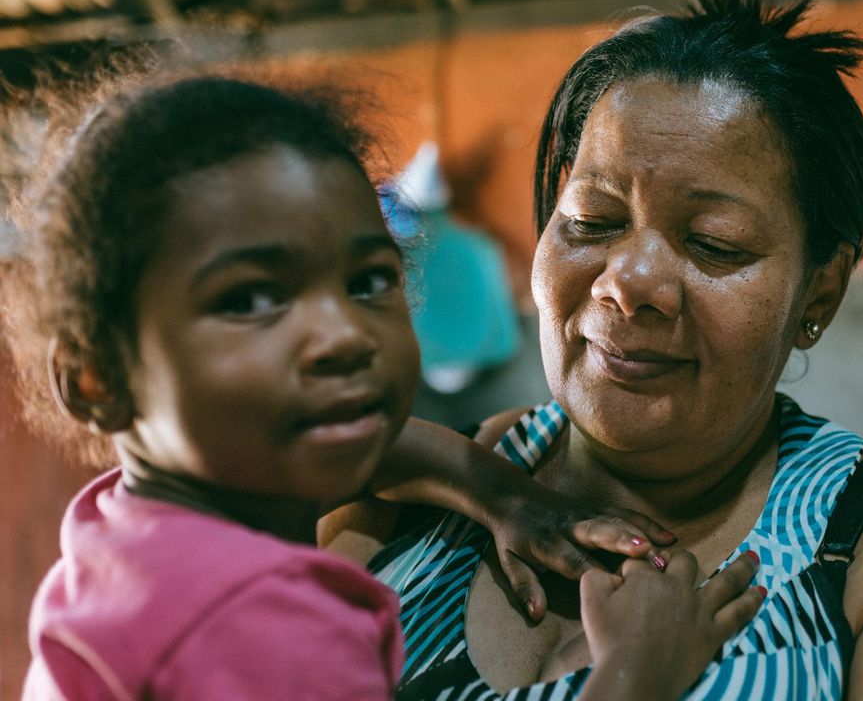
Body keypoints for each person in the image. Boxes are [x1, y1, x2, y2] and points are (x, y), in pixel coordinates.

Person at [343, 0, 863, 699]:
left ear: (821, 292)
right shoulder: (419, 484)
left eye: (715, 243)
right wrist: (487, 488)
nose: (627, 283)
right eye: (592, 222)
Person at [1, 70, 765, 700]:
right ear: (98, 379)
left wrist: (509, 497)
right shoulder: (261, 626)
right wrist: (637, 675)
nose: (343, 333)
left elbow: (378, 448)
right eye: (249, 299)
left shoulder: (133, 536)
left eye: (369, 280)